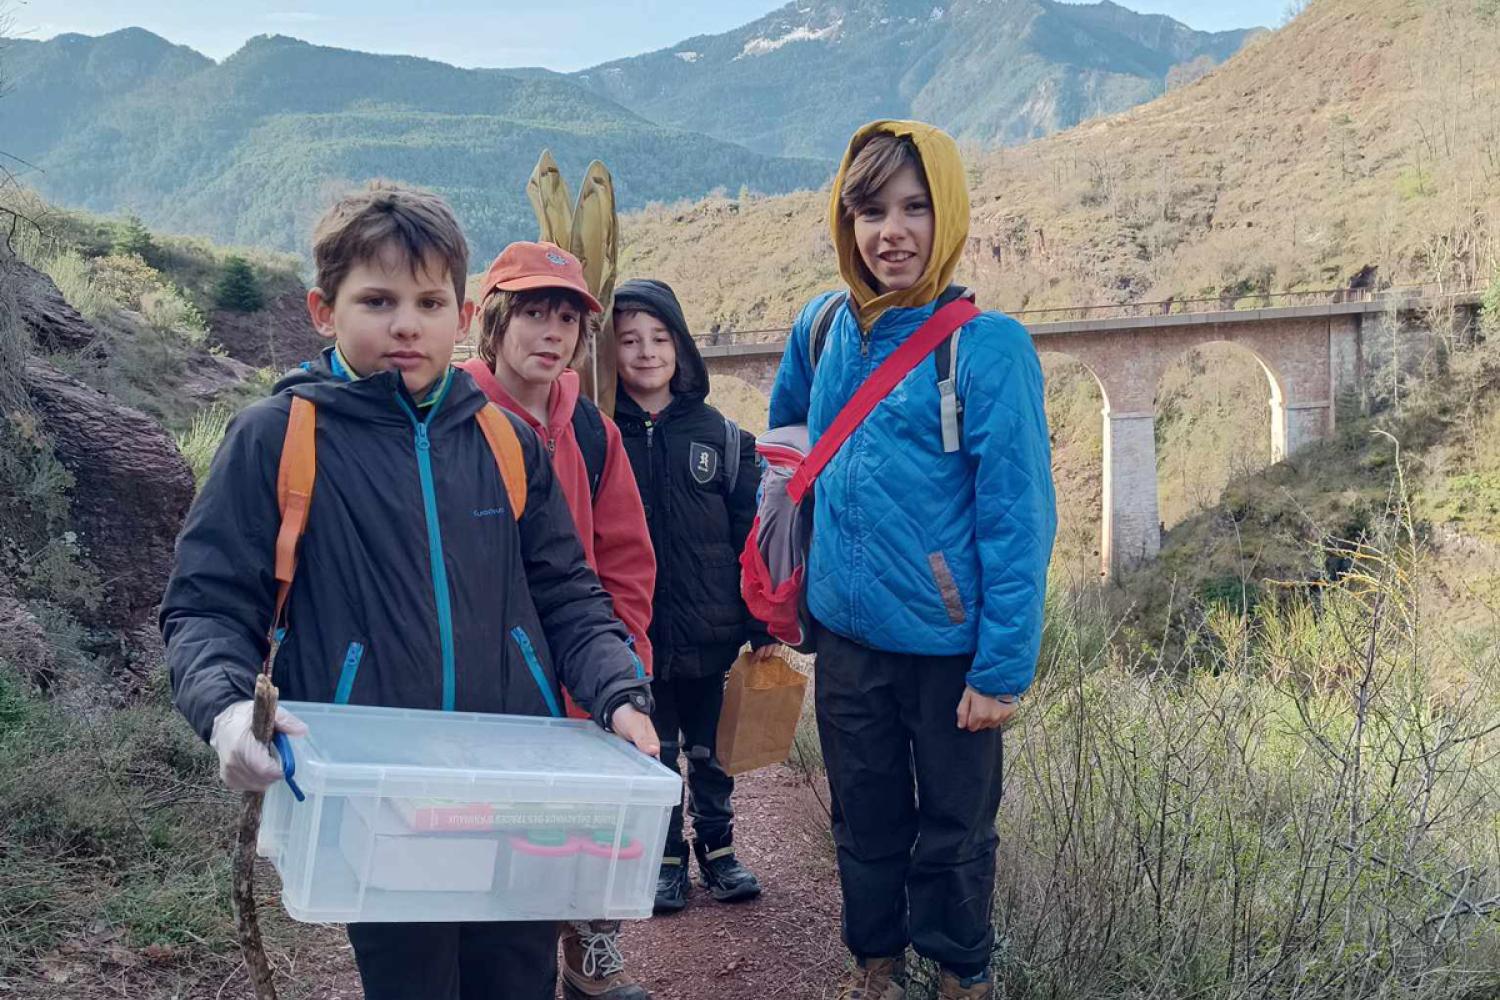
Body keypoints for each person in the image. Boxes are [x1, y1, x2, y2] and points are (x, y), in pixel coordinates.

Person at [161, 182, 659, 1000]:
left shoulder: (502, 440)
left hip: (514, 789)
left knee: (516, 982)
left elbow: (568, 593)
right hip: (381, 800)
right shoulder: (279, 437)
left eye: (430, 302)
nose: (405, 324)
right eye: (377, 300)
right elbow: (207, 606)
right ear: (324, 310)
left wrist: (618, 691)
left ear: (462, 319)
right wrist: (222, 712)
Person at [766, 121, 1056, 1000]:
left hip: (949, 646)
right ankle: (877, 969)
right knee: (865, 818)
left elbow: (1017, 516)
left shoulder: (987, 346)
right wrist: (785, 586)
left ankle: (962, 974)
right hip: (847, 637)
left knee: (958, 829)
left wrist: (1002, 669)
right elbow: (786, 453)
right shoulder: (821, 327)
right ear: (845, 222)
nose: (891, 231)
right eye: (870, 211)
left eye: (914, 207)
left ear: (949, 212)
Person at [456, 240, 656, 1000]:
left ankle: (588, 948)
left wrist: (622, 660)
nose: (551, 333)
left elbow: (627, 558)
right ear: (495, 321)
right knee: (502, 835)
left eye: (567, 318)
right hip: (492, 680)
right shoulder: (459, 420)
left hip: (584, 669)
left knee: (586, 826)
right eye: (534, 313)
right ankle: (520, 963)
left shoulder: (594, 432)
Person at [611, 278, 773, 913]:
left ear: (682, 349)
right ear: (609, 353)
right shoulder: (598, 435)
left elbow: (751, 537)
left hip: (712, 633)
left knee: (712, 752)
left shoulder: (724, 438)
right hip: (637, 636)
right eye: (629, 340)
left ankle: (720, 852)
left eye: (660, 338)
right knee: (655, 751)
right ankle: (665, 860)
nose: (646, 352)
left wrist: (760, 621)